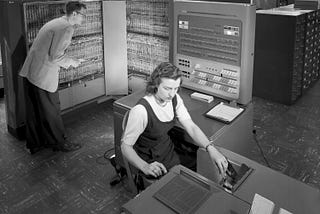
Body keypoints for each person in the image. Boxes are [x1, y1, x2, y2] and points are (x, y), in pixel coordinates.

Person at [121, 62, 228, 180]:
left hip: (167, 150)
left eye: (175, 88)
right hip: (151, 160)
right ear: (155, 84)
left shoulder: (174, 99)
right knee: (183, 183)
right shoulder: (140, 111)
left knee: (200, 166)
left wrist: (210, 148)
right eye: (167, 88)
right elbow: (125, 147)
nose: (171, 94)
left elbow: (191, 126)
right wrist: (145, 166)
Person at [19, 1, 87, 154]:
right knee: (52, 110)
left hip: (32, 73)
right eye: (83, 15)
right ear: (74, 14)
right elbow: (56, 57)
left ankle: (35, 144)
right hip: (43, 76)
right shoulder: (66, 28)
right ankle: (59, 143)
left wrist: (70, 59)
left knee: (36, 111)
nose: (84, 19)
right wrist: (73, 62)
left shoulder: (57, 22)